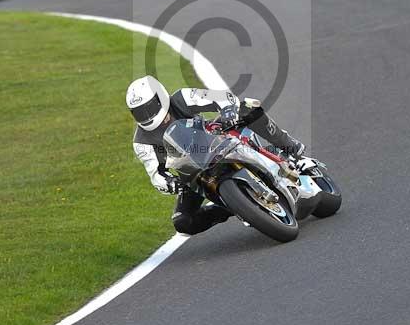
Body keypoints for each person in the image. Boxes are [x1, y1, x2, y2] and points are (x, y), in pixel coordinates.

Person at [126, 75, 305, 235]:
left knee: (248, 107)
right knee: (182, 222)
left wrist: (228, 111)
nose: (146, 116)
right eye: (139, 113)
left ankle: (290, 146)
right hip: (192, 173)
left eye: (149, 108)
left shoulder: (181, 98)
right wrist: (169, 183)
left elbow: (221, 97)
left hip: (215, 139)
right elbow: (155, 173)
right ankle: (233, 207)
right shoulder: (141, 142)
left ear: (160, 97)